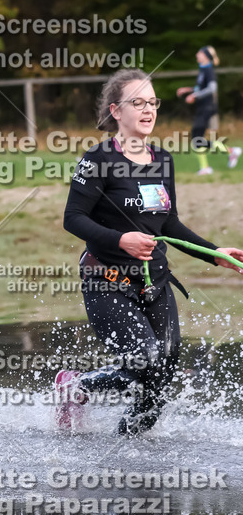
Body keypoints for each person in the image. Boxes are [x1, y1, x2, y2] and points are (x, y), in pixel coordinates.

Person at [58, 68, 243, 435]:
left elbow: (169, 223)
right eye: (137, 102)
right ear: (116, 111)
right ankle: (75, 386)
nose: (148, 109)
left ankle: (129, 449)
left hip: (155, 281)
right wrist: (120, 239)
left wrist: (213, 253)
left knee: (162, 374)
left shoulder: (163, 160)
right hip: (106, 279)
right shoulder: (97, 160)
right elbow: (73, 218)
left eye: (152, 102)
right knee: (146, 360)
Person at [176, 46, 221, 175]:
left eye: (199, 53)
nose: (197, 54)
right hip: (203, 108)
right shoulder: (203, 69)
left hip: (207, 108)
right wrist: (188, 90)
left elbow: (212, 88)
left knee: (196, 137)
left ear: (206, 56)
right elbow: (201, 87)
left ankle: (206, 166)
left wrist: (194, 96)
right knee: (197, 138)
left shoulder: (209, 70)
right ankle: (208, 165)